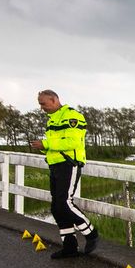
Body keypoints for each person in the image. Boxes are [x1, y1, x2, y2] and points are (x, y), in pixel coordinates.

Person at [30, 89, 99, 258]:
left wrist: (45, 144)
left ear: (54, 100)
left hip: (69, 165)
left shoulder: (72, 116)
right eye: (40, 104)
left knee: (64, 203)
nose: (41, 107)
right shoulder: (52, 120)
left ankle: (91, 233)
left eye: (43, 103)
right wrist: (44, 149)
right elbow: (56, 144)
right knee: (56, 207)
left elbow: (72, 142)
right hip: (55, 166)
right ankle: (69, 246)